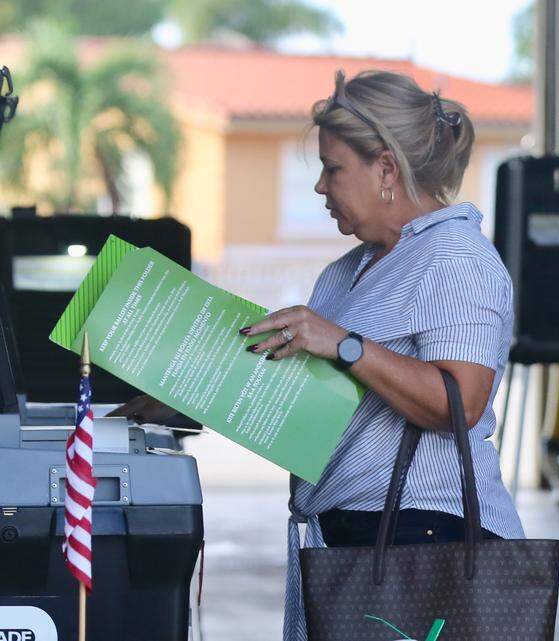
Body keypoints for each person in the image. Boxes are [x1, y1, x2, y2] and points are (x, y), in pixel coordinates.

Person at [115, 69, 525, 640]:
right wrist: (182, 396)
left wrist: (344, 344)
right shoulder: (349, 271)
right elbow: (309, 401)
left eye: (333, 169)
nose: (320, 188)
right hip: (356, 537)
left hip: (425, 537)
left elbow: (461, 403)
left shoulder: (454, 258)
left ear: (385, 168)